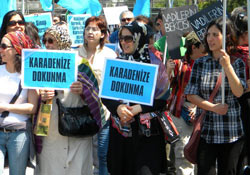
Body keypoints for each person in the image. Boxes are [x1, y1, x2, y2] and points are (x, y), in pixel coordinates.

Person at [35, 24, 104, 175]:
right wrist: (42, 96)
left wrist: (83, 91)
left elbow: (95, 95)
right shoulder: (41, 63)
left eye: (51, 41)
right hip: (50, 131)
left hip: (77, 129)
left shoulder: (80, 63)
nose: (47, 44)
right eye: (44, 40)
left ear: (62, 41)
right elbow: (32, 95)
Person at [102, 21, 169, 175]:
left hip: (146, 135)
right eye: (121, 38)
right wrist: (118, 108)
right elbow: (106, 96)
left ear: (140, 38)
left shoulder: (155, 64)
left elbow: (163, 97)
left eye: (129, 38)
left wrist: (139, 108)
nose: (124, 42)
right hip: (121, 133)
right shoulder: (117, 63)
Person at [185, 17, 246, 175]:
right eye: (208, 34)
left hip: (231, 132)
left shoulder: (237, 62)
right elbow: (190, 94)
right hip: (207, 131)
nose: (210, 38)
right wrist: (213, 107)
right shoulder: (200, 63)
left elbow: (239, 92)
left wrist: (227, 67)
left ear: (226, 37)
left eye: (215, 34)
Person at [77, 16, 117, 175]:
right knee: (82, 154)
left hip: (103, 112)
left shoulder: (110, 55)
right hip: (80, 110)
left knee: (102, 154)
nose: (90, 32)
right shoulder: (75, 54)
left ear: (103, 34)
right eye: (88, 28)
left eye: (95, 29)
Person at [166, 31, 207, 175]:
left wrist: (198, 105)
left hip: (203, 113)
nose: (207, 47)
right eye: (204, 45)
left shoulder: (209, 64)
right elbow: (166, 87)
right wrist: (168, 71)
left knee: (200, 153)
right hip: (180, 112)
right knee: (183, 152)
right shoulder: (178, 63)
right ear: (194, 47)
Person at [0, 31, 38, 175]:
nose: (0, 50)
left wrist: (4, 107)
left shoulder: (28, 74)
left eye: (4, 46)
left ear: (16, 48)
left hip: (19, 134)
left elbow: (32, 107)